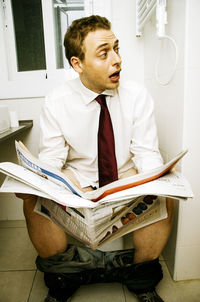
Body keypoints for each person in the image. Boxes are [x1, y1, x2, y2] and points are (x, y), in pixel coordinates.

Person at [16, 15, 174, 302]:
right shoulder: (57, 101)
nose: (117, 60)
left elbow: (147, 154)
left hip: (125, 182)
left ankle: (142, 282)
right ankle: (62, 280)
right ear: (78, 64)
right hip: (79, 185)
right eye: (104, 53)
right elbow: (51, 158)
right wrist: (40, 183)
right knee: (32, 196)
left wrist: (151, 184)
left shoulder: (137, 95)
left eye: (117, 48)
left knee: (165, 193)